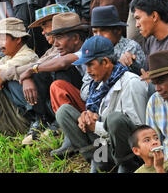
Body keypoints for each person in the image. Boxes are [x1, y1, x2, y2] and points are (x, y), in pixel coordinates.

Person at [56, 35, 149, 173]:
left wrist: (96, 127)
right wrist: (86, 118)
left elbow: (139, 129)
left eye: (90, 64)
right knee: (64, 112)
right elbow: (98, 119)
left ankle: (127, 164)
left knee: (115, 119)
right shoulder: (97, 85)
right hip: (104, 145)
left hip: (129, 150)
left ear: (105, 62)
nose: (87, 70)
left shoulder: (131, 83)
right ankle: (97, 159)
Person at [19, 12, 89, 146]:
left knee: (60, 75)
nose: (55, 44)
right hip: (79, 101)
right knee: (42, 73)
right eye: (54, 38)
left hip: (91, 105)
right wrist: (29, 76)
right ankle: (43, 121)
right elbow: (41, 66)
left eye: (59, 38)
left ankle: (64, 128)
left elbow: (63, 63)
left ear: (75, 38)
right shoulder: (65, 51)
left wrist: (30, 70)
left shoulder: (88, 48)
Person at [130, 0, 168, 70]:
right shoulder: (151, 41)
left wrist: (150, 81)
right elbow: (148, 74)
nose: (137, 25)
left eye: (138, 18)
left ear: (154, 16)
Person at [144, 50, 168, 161]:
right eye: (154, 83)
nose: (157, 88)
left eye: (161, 82)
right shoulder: (154, 101)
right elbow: (152, 143)